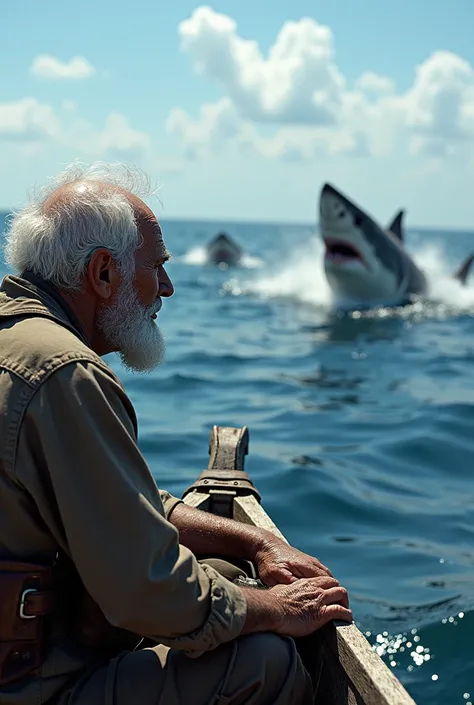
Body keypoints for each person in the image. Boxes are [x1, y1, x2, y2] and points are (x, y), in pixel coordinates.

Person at [0, 162, 352, 705]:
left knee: (224, 569)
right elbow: (152, 591)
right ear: (103, 274)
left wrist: (254, 542)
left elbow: (122, 505)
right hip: (28, 687)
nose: (167, 286)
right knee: (265, 660)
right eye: (157, 268)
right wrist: (282, 610)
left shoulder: (16, 341)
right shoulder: (62, 373)